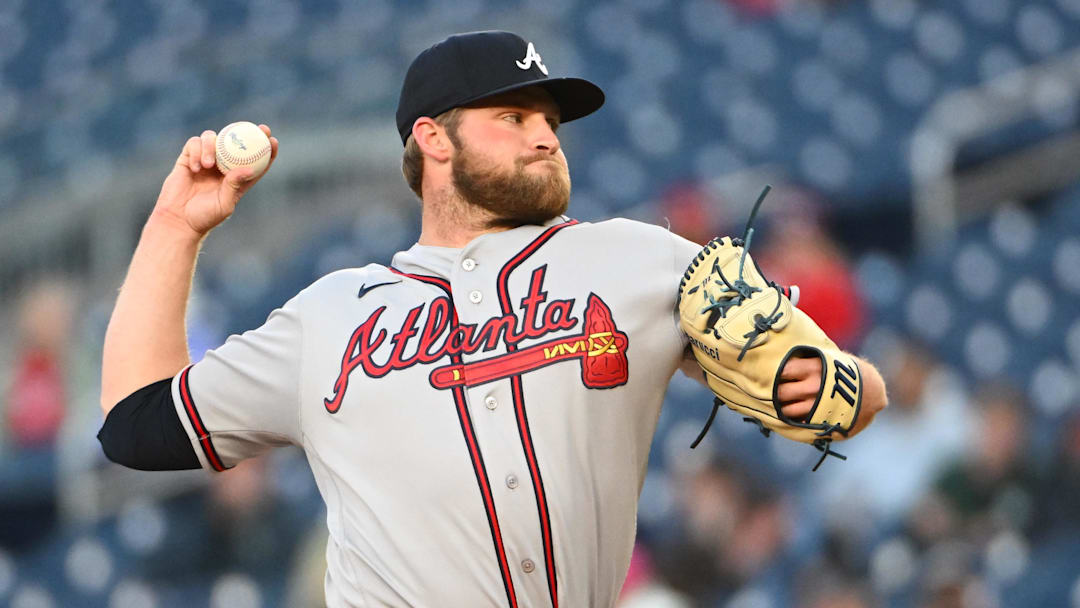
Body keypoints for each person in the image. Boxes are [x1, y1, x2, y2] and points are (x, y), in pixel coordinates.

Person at [97, 31, 887, 607]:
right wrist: (175, 227)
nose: (545, 135)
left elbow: (854, 398)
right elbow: (135, 423)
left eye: (550, 120)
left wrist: (830, 382)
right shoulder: (330, 316)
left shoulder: (640, 260)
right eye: (512, 116)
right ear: (432, 139)